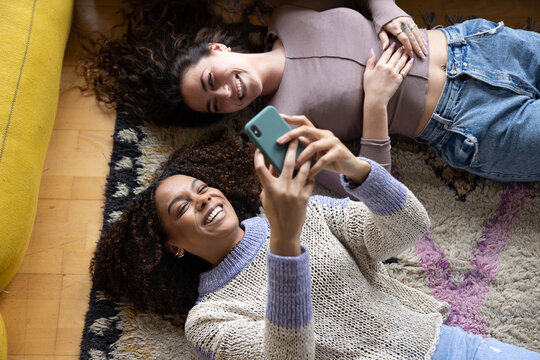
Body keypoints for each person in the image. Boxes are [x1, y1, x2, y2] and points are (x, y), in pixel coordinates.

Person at [91, 117, 540, 359]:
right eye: (182, 207)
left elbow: (408, 228)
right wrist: (285, 245)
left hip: (447, 346)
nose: (203, 199)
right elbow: (288, 358)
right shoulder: (208, 322)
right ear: (173, 245)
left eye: (201, 187)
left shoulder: (309, 212)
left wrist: (355, 169)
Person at [80, 0, 540, 189]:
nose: (227, 92)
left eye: (210, 80)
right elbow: (363, 197)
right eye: (215, 104)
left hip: (477, 44)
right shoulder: (274, 129)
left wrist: (386, 11)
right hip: (469, 124)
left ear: (216, 48)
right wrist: (376, 106)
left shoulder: (285, 15)